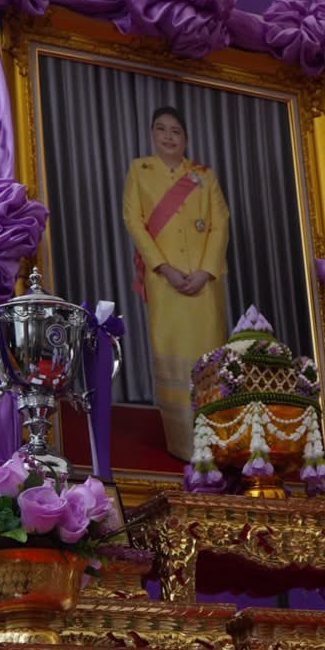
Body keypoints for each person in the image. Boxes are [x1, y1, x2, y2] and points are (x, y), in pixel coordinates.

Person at [122, 106, 231, 461]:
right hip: (165, 282)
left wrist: (206, 271)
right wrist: (164, 268)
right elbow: (134, 221)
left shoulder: (203, 175)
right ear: (152, 134)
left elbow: (220, 223)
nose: (168, 136)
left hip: (204, 284)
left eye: (176, 131)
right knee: (172, 354)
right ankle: (182, 445)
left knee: (208, 357)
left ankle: (214, 443)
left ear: (185, 137)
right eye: (161, 129)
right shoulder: (140, 170)